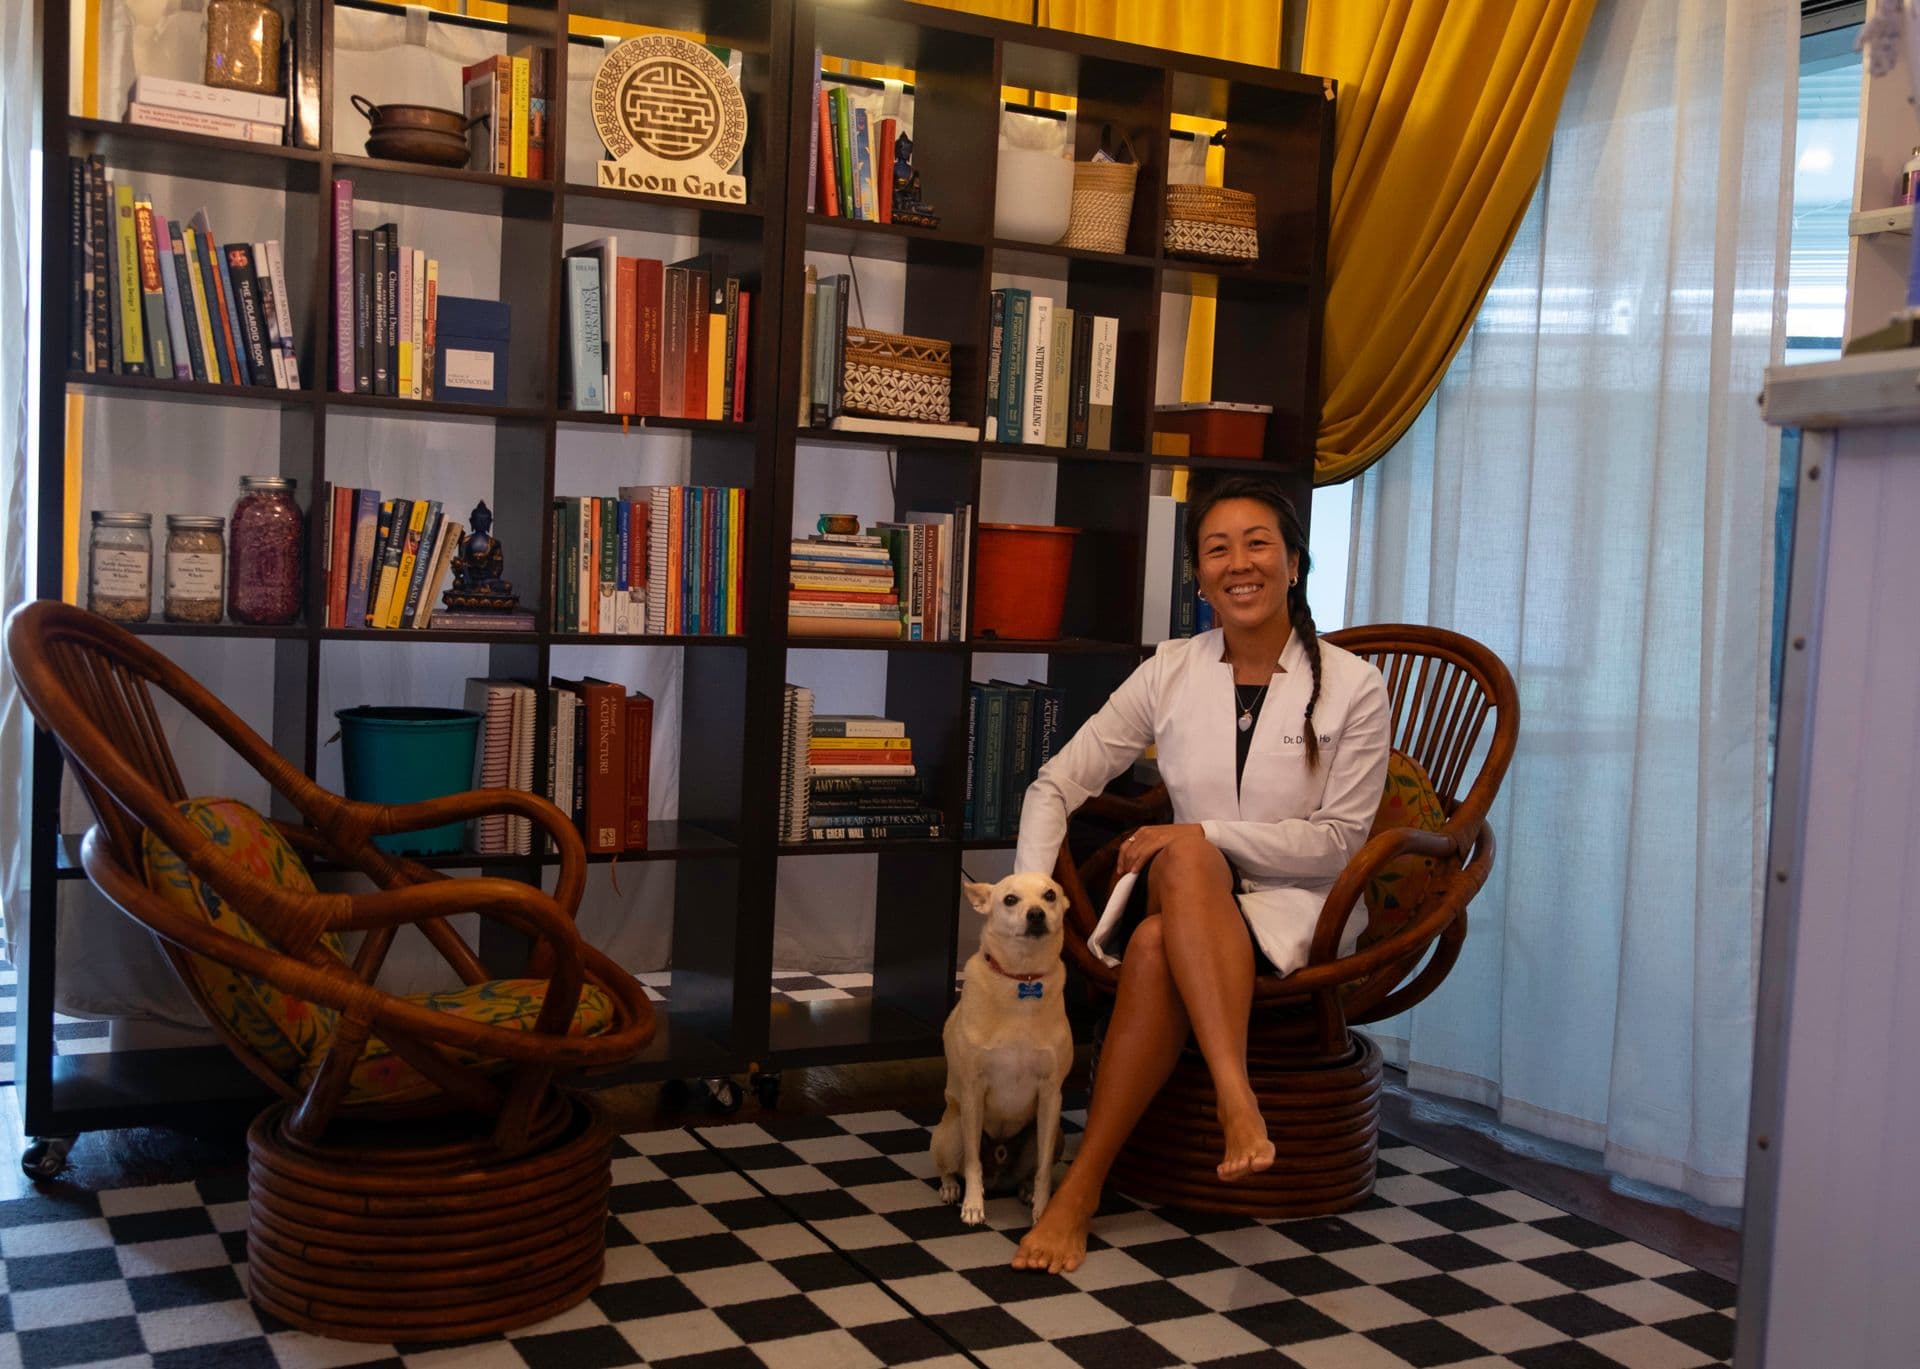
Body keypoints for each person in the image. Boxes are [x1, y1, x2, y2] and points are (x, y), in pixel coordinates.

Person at [1008, 475, 1391, 1274]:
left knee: (1157, 930)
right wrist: (1025, 900)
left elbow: (1337, 841)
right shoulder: (1172, 668)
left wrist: (1204, 832)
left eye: (1258, 544)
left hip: (1301, 909)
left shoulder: (1355, 685)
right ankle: (1235, 1096)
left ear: (1294, 563)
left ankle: (1082, 1186)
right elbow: (1054, 783)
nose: (1238, 563)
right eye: (1217, 549)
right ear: (1198, 575)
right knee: (1186, 862)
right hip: (1193, 896)